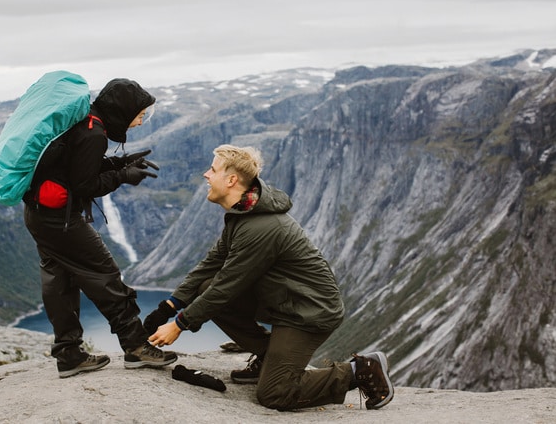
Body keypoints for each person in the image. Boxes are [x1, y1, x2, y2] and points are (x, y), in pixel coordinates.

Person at [144, 144, 393, 410]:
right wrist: (168, 306)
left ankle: (361, 370)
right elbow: (211, 264)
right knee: (205, 287)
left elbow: (226, 286)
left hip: (309, 313)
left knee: (274, 394)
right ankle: (268, 356)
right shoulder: (243, 214)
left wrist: (179, 324)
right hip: (286, 301)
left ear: (231, 180)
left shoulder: (259, 228)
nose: (206, 175)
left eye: (212, 169)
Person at [23, 78, 177, 378]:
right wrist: (123, 176)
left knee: (61, 284)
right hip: (61, 222)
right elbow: (84, 184)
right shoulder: (95, 133)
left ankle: (69, 354)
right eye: (140, 113)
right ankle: (135, 346)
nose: (141, 120)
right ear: (123, 109)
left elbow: (75, 166)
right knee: (105, 275)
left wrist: (120, 163)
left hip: (40, 215)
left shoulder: (86, 122)